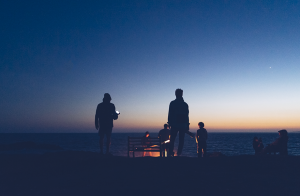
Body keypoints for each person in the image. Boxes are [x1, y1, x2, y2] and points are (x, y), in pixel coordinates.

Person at [168, 88, 191, 156]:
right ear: (182, 94)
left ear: (175, 94)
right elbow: (187, 115)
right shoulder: (185, 104)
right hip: (182, 125)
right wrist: (187, 125)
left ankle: (170, 153)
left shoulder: (172, 103)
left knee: (172, 140)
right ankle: (178, 153)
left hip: (174, 124)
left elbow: (170, 113)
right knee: (181, 140)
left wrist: (169, 122)